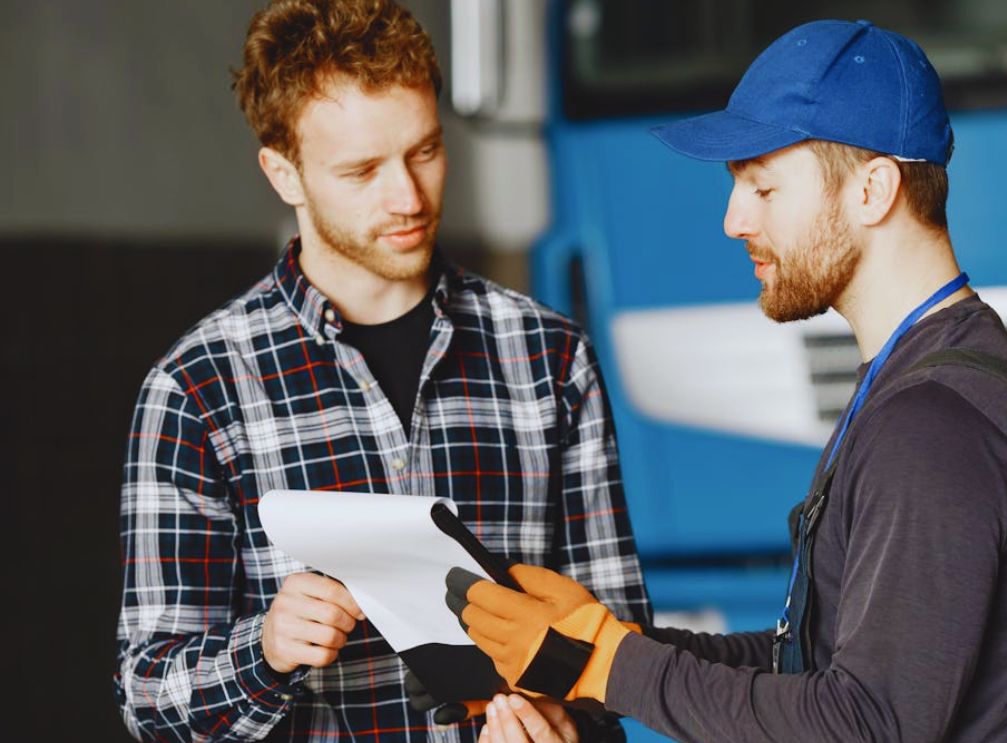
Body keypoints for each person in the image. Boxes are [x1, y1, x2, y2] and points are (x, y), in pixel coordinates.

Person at [460, 20, 1007, 743]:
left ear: (872, 190)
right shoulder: (924, 381)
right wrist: (602, 645)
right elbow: (814, 666)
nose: (733, 220)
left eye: (762, 186)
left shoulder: (931, 428)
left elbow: (865, 725)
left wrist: (611, 665)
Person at [112, 1, 650, 741]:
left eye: (425, 151)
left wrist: (566, 719)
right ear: (283, 173)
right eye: (361, 169)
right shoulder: (196, 390)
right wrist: (262, 652)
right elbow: (148, 699)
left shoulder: (549, 355)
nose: (408, 197)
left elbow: (624, 653)